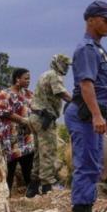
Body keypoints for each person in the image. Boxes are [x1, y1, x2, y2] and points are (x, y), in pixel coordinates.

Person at [64, 0, 107, 212]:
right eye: (105, 20)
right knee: (86, 165)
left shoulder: (96, 48)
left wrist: (105, 115)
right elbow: (86, 85)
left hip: (94, 115)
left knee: (94, 164)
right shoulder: (87, 48)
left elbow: (100, 87)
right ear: (90, 20)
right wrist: (97, 114)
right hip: (85, 115)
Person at [27, 54, 73, 198]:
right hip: (44, 118)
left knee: (38, 153)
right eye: (64, 64)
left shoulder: (44, 74)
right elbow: (62, 93)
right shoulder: (55, 76)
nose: (66, 68)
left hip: (35, 117)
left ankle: (33, 186)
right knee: (48, 152)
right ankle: (47, 187)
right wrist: (78, 102)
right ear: (58, 63)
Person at [0, 68, 34, 192]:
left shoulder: (29, 94)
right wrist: (22, 120)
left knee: (28, 165)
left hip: (26, 137)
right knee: (10, 166)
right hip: (10, 137)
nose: (28, 81)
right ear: (17, 79)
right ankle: (5, 194)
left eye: (29, 78)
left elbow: (35, 109)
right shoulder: (4, 94)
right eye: (26, 78)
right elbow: (1, 110)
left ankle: (31, 194)